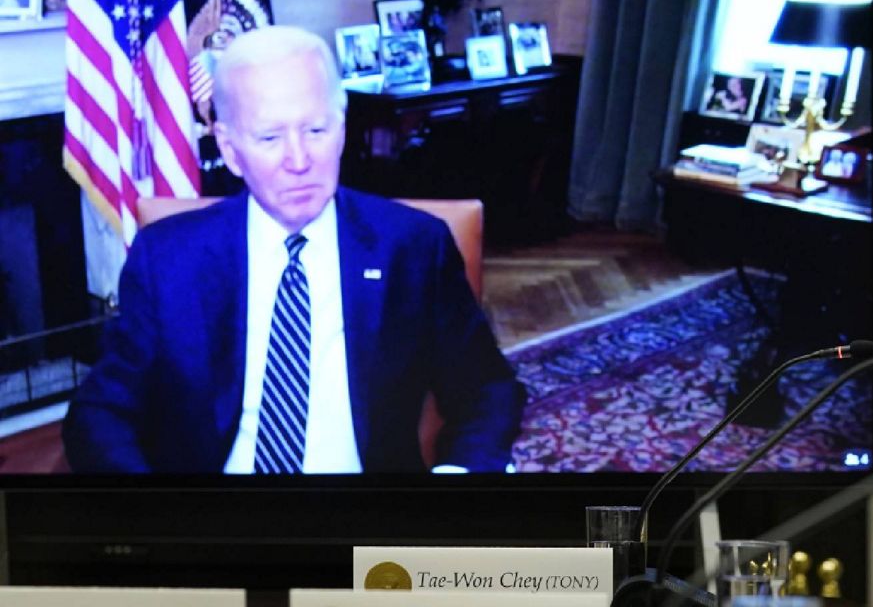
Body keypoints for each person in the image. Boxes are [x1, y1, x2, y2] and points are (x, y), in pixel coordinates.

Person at [63, 26, 526, 474]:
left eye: (316, 130)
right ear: (229, 148)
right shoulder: (168, 258)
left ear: (342, 130)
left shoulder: (412, 248)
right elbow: (99, 412)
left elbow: (488, 389)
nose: (300, 161)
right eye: (269, 138)